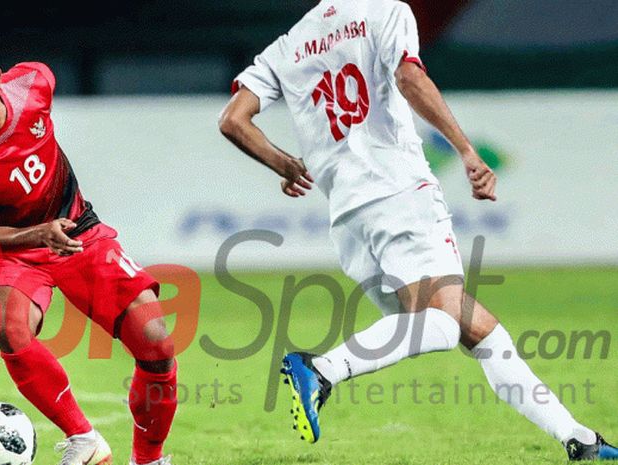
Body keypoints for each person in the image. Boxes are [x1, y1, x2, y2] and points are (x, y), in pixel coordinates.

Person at [218, 0, 618, 461]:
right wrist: (466, 151)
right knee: (445, 322)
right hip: (399, 194)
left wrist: (285, 164)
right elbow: (409, 77)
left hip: (348, 219)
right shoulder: (386, 11)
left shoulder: (288, 46)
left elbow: (233, 119)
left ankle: (579, 440)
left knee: (477, 329)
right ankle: (323, 368)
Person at [0, 20, 176, 465]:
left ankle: (149, 460)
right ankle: (85, 439)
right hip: (11, 252)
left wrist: (56, 228)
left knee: (156, 343)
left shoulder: (35, 83)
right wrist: (37, 234)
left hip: (79, 233)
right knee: (3, 320)